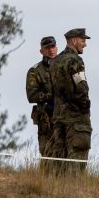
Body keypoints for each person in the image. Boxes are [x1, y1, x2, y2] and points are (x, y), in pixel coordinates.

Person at [49, 28, 92, 174]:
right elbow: (81, 88)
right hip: (76, 120)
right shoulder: (75, 60)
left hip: (58, 118)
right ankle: (73, 194)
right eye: (83, 40)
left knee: (59, 163)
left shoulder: (55, 61)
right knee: (76, 165)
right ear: (74, 40)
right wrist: (86, 106)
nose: (84, 44)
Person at [25, 35, 57, 170]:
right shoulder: (35, 71)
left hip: (65, 117)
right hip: (47, 118)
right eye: (47, 48)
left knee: (67, 156)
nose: (51, 50)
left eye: (53, 47)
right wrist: (52, 96)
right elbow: (32, 95)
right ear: (41, 51)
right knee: (47, 154)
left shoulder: (65, 67)